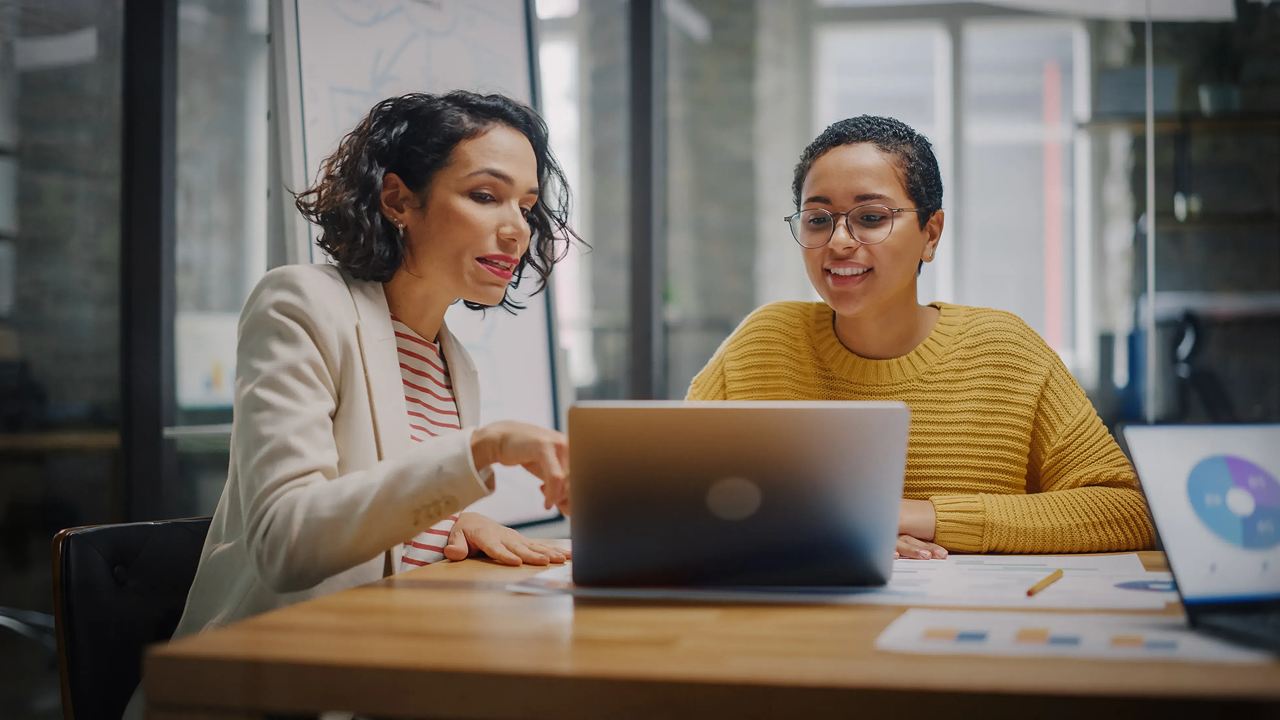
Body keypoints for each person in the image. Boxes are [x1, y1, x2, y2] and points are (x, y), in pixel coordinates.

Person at [125, 90, 577, 719]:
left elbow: (379, 501)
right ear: (398, 200)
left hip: (387, 672)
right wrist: (480, 450)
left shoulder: (455, 362)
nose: (516, 227)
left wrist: (448, 521)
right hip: (275, 691)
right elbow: (289, 542)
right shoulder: (301, 304)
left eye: (526, 206)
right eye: (484, 195)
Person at [687, 115, 1155, 558]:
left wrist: (920, 517)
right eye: (818, 219)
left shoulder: (1005, 352)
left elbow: (1126, 511)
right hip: (799, 618)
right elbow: (676, 495)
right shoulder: (762, 344)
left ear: (931, 233)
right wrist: (830, 525)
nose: (839, 241)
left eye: (870, 217)